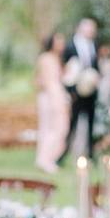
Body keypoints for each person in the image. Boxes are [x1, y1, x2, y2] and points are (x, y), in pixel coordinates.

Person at [60, 18, 99, 161]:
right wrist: (70, 90)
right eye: (89, 28)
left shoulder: (94, 45)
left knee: (90, 123)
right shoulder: (70, 46)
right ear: (81, 28)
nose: (91, 31)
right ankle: (64, 153)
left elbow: (95, 66)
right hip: (76, 92)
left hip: (91, 91)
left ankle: (90, 153)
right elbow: (65, 70)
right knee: (73, 124)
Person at [33, 33, 70, 174]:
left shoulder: (57, 59)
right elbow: (45, 80)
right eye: (59, 41)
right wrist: (57, 100)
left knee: (57, 128)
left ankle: (48, 158)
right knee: (52, 128)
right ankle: (45, 159)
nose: (62, 44)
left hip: (55, 94)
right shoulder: (46, 58)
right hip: (51, 97)